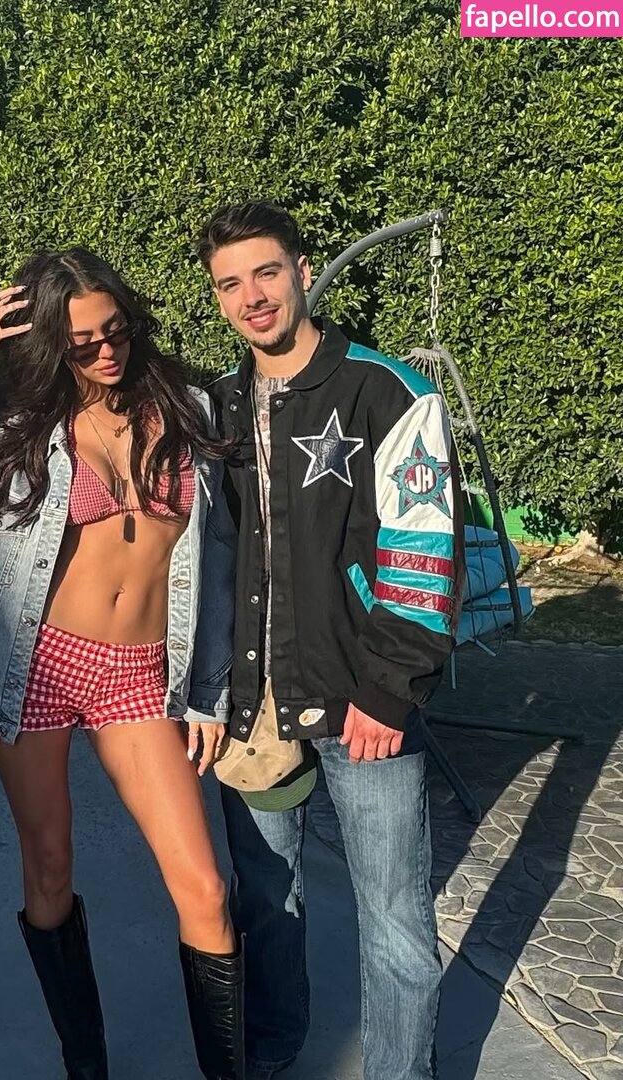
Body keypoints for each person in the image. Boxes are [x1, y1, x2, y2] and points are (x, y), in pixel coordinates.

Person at [0, 247, 244, 1080]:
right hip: (34, 665)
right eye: (81, 344)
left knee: (205, 890)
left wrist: (210, 690)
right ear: (50, 346)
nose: (106, 351)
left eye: (116, 330)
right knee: (49, 862)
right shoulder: (13, 432)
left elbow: (216, 560)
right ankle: (86, 1063)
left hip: (140, 672)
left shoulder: (185, 408)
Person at [195, 201, 462, 1080]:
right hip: (253, 708)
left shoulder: (388, 392)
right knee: (267, 907)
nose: (251, 296)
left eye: (266, 273)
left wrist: (389, 689)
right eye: (230, 283)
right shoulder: (217, 407)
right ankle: (272, 1054)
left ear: (304, 272)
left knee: (395, 926)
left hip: (362, 704)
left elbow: (424, 551)